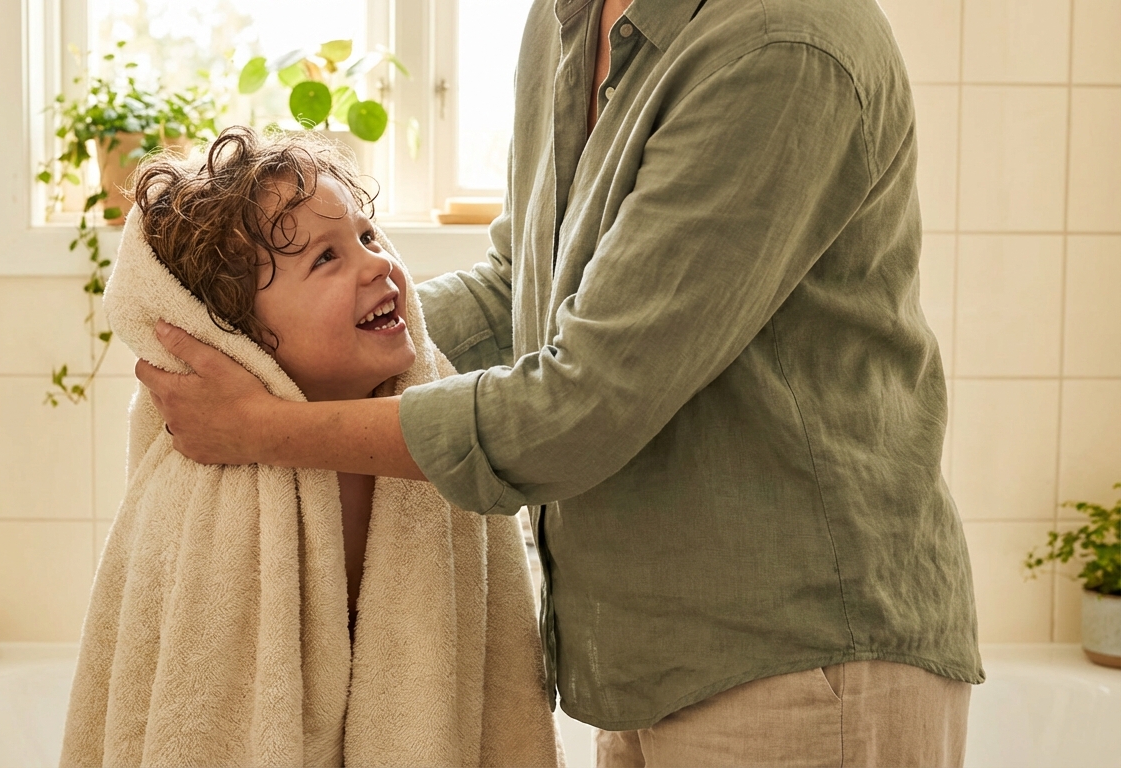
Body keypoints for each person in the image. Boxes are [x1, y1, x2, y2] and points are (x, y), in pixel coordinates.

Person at [137, 0, 985, 764]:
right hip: (645, 659)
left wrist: (261, 425)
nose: (368, 262)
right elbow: (523, 287)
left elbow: (580, 408)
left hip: (799, 661)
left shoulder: (782, 43)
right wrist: (299, 357)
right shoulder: (565, 20)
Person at [61, 128, 559, 767]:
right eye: (326, 258)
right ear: (244, 337)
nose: (377, 264)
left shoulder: (430, 446)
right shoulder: (212, 499)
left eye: (367, 236)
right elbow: (203, 712)